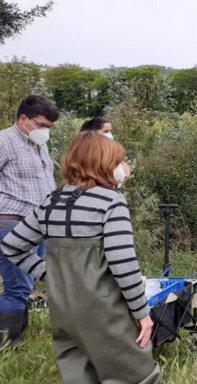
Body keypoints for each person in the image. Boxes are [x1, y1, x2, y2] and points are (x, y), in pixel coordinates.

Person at [0, 132, 160, 383]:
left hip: (64, 312)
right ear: (103, 163)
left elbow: (11, 245)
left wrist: (51, 275)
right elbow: (123, 264)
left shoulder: (52, 202)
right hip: (105, 312)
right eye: (118, 161)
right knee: (136, 376)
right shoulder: (111, 202)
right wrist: (142, 314)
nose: (121, 167)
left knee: (79, 376)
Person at [0, 95, 59, 347]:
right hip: (13, 222)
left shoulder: (38, 144)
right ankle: (6, 344)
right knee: (18, 286)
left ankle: (17, 335)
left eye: (49, 127)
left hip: (38, 223)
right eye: (41, 124)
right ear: (23, 119)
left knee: (27, 282)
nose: (45, 131)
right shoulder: (4, 141)